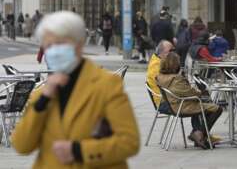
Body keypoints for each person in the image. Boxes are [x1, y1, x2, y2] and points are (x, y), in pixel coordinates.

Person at [11, 11, 140, 168]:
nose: (54, 51)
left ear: (78, 44)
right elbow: (21, 145)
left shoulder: (106, 85)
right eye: (48, 46)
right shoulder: (42, 94)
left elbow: (129, 142)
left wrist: (79, 151)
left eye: (59, 44)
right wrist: (42, 102)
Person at [156, 52, 222, 149]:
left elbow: (183, 91)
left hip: (175, 103)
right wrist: (201, 92)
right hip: (181, 106)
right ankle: (199, 134)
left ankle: (198, 135)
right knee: (217, 109)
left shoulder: (161, 76)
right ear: (175, 64)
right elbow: (191, 93)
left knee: (202, 107)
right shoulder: (176, 79)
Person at [146, 40, 174, 107]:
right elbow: (169, 84)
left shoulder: (159, 60)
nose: (173, 53)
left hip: (168, 98)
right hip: (164, 102)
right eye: (170, 51)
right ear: (161, 52)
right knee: (198, 104)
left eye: (173, 50)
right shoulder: (156, 66)